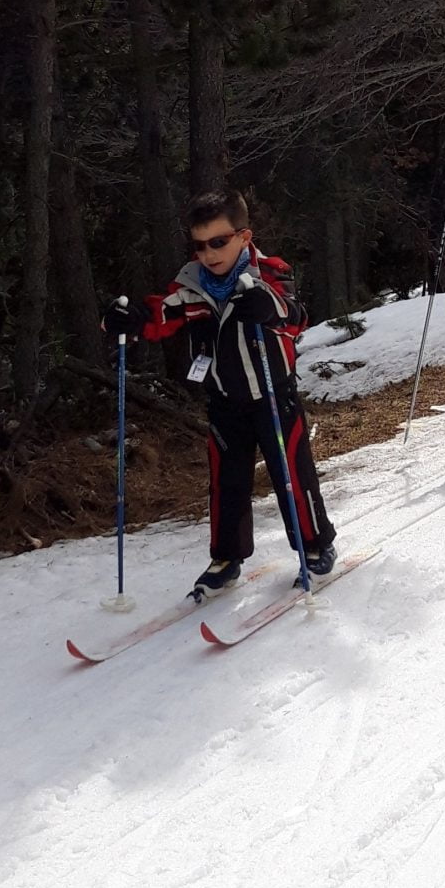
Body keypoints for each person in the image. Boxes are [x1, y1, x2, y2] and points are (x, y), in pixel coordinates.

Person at [107, 188, 338, 602]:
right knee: (226, 483)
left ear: (243, 237)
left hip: (273, 396)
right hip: (225, 402)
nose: (208, 254)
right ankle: (226, 559)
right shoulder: (192, 285)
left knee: (292, 473)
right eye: (199, 245)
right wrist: (131, 319)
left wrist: (269, 307)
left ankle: (317, 545)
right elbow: (161, 314)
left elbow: (295, 316)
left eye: (218, 242)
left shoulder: (268, 274)